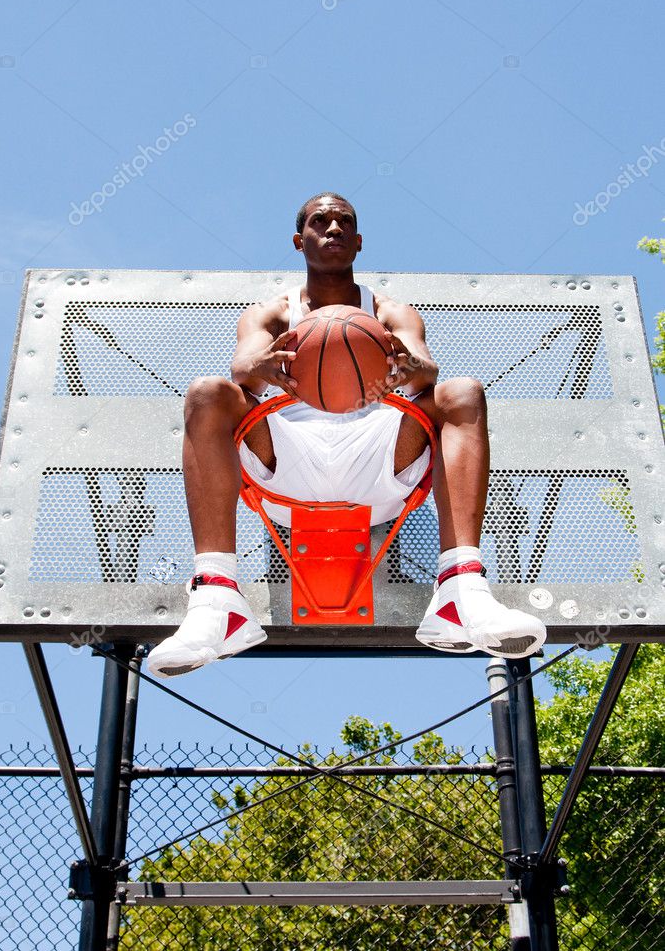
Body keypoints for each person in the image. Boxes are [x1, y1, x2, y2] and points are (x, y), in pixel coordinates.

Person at [147, 192, 546, 678]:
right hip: (286, 465)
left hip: (378, 462)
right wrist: (263, 365)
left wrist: (408, 365)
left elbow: (427, 371)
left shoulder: (391, 312)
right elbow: (242, 370)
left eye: (344, 222)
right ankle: (216, 600)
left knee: (461, 392)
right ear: (300, 240)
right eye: (320, 221)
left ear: (358, 242)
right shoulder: (269, 313)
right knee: (208, 392)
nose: (332, 228)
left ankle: (462, 590)